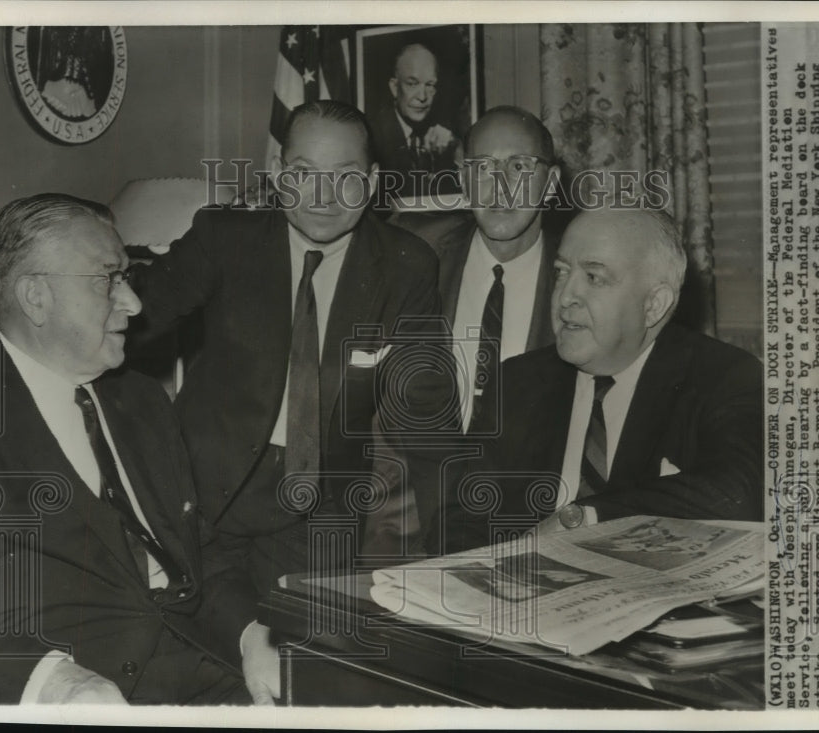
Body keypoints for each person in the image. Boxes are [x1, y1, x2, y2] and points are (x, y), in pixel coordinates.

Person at [129, 100, 455, 613]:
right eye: (304, 174)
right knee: (202, 651)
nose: (323, 196)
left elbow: (427, 421)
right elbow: (124, 330)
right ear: (279, 174)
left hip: (320, 517)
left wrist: (461, 546)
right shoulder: (224, 238)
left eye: (344, 176)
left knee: (303, 666)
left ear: (371, 182)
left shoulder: (405, 266)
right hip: (201, 496)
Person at [0, 194, 270, 704]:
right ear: (36, 296)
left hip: (206, 668)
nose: (135, 303)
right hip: (84, 694)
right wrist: (48, 680)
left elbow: (199, 551)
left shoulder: (141, 398)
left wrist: (252, 635)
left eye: (127, 278)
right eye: (108, 279)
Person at [442, 208, 763, 553]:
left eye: (594, 278)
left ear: (654, 305)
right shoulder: (518, 382)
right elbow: (460, 523)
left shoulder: (723, 376)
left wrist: (587, 518)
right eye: (561, 273)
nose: (565, 297)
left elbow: (739, 493)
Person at [363, 106, 563, 554]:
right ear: (462, 177)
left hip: (528, 534)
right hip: (405, 525)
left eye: (519, 166)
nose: (501, 186)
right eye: (483, 167)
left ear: (550, 184)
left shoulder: (579, 282)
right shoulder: (415, 256)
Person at [370, 42, 461, 199]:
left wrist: (456, 151)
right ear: (394, 87)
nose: (422, 97)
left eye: (429, 85)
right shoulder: (373, 136)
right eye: (412, 84)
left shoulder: (445, 135)